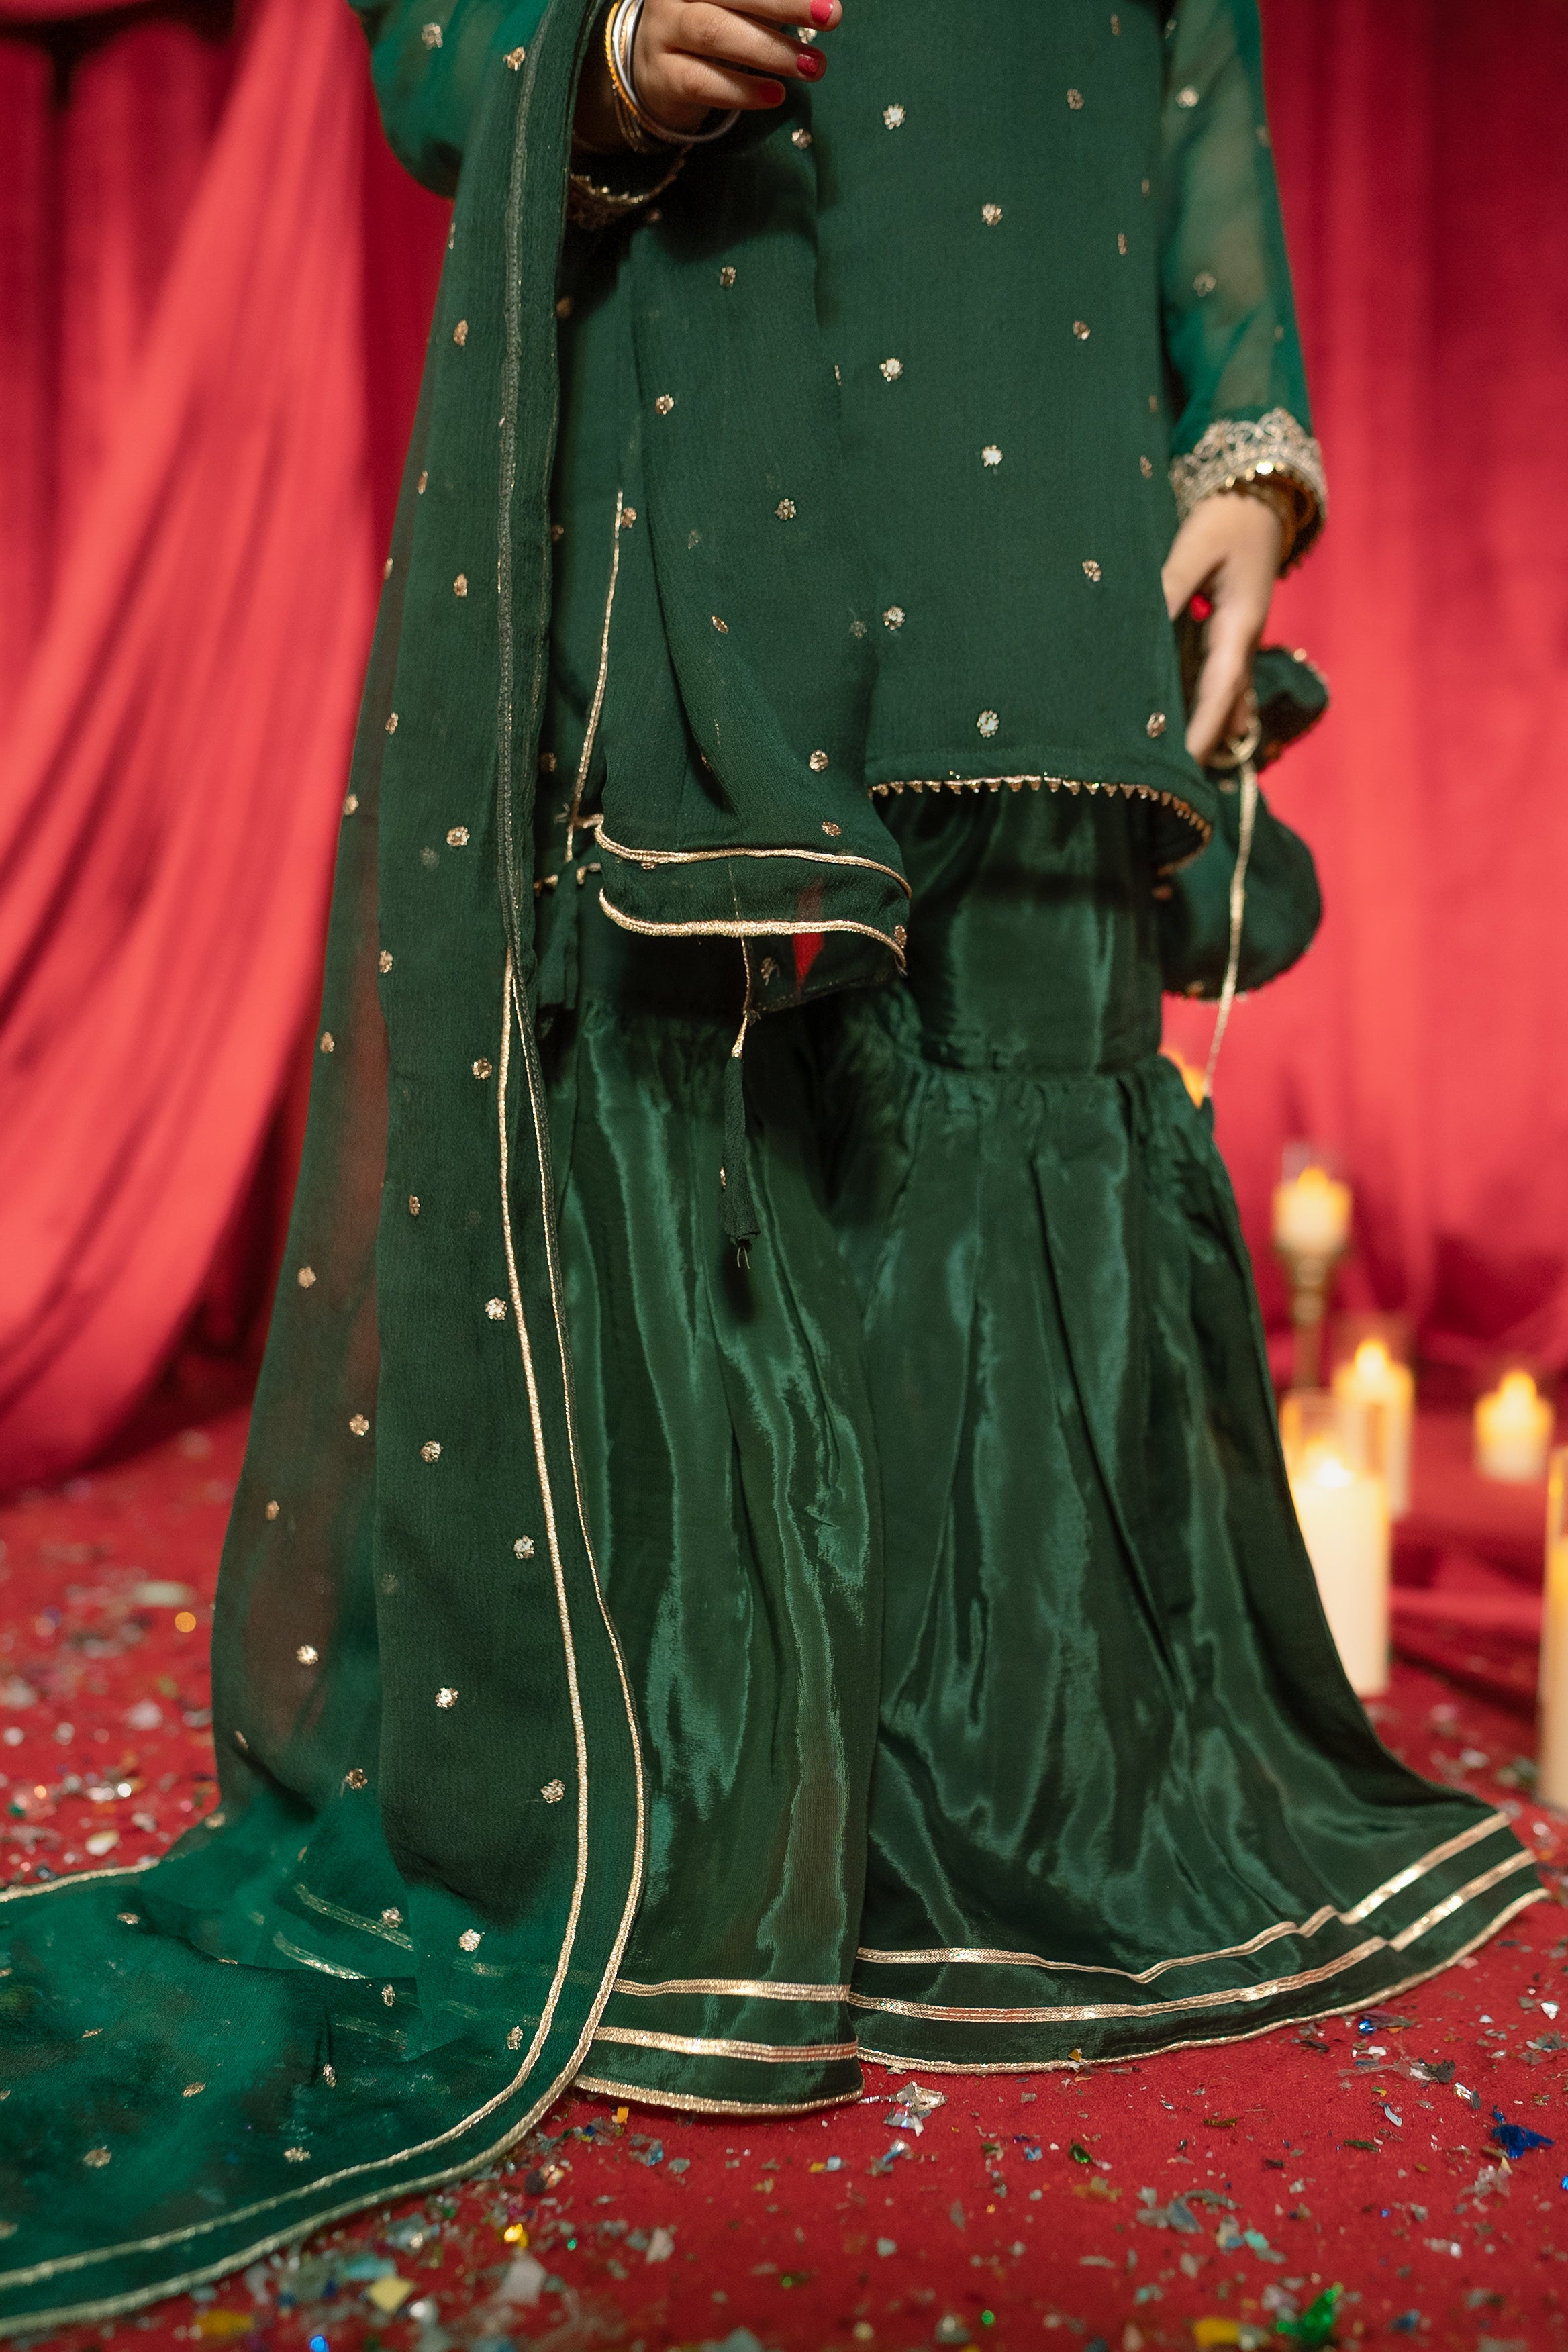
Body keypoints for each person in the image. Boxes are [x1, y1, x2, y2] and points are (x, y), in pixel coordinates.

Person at [0, 0, 1537, 2324]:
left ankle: (1026, 1790)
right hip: (725, 426)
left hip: (1049, 484)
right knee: (726, 1078)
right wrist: (604, 46)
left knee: (1020, 1062)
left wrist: (1247, 437)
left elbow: (1190, 51)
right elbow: (432, 49)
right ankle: (729, 1819)